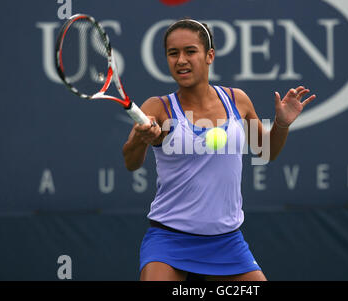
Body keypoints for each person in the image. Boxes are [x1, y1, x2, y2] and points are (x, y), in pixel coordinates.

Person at [122, 18, 316, 281]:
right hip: (169, 240)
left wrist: (281, 124)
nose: (181, 60)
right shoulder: (157, 108)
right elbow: (131, 162)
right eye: (173, 53)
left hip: (226, 243)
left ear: (209, 55)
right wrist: (141, 140)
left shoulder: (238, 100)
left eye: (190, 51)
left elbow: (266, 152)